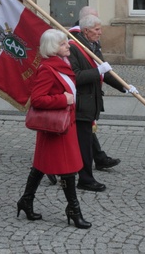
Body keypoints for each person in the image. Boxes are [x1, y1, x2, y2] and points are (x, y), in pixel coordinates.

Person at [17, 29, 91, 229]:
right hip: (55, 128)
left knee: (42, 166)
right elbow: (38, 99)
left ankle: (26, 200)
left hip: (65, 126)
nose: (68, 45)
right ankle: (74, 210)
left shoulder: (62, 65)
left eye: (66, 42)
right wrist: (62, 99)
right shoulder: (48, 69)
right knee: (66, 170)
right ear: (53, 48)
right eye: (63, 44)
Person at [68, 14, 138, 192]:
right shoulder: (74, 47)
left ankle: (65, 171)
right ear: (86, 30)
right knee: (84, 145)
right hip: (81, 104)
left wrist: (124, 86)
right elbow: (75, 76)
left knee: (86, 141)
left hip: (92, 102)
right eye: (97, 29)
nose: (101, 32)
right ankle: (85, 179)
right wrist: (97, 70)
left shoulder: (93, 45)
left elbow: (105, 73)